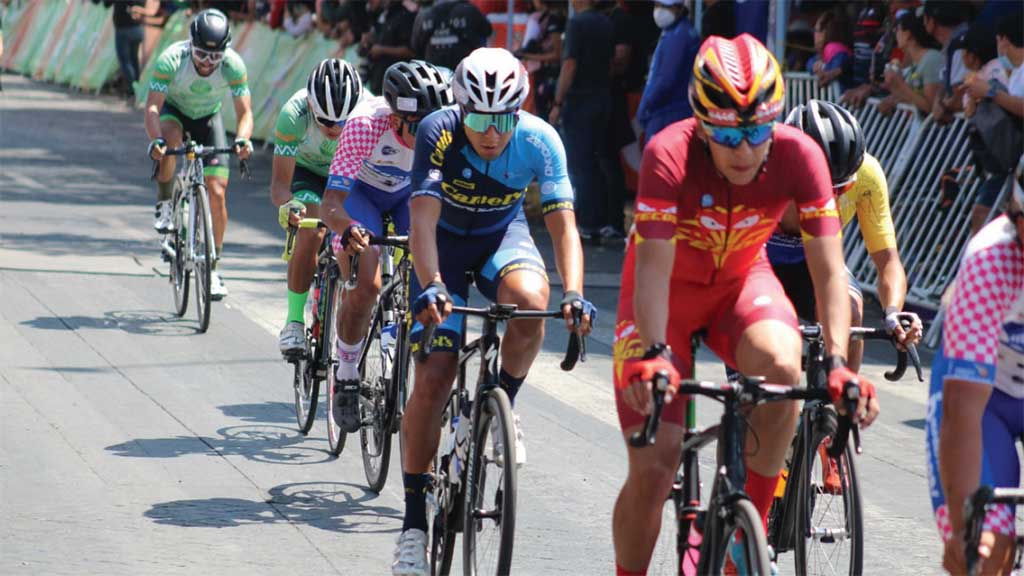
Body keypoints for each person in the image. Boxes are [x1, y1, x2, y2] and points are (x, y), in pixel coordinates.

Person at [611, 34, 879, 575]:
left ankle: (742, 544)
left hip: (740, 283)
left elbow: (830, 269)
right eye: (727, 134)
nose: (744, 149)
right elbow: (654, 270)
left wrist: (835, 364)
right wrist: (656, 352)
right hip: (666, 295)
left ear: (774, 121)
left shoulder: (800, 155)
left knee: (785, 370)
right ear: (700, 121)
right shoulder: (669, 153)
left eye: (757, 132)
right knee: (656, 468)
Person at [392, 47, 595, 575]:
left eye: (503, 118)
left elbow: (563, 226)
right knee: (434, 376)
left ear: (519, 112)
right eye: (479, 118)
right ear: (461, 110)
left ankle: (499, 401)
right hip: (441, 247)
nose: (491, 131)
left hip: (500, 237)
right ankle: (414, 525)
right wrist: (432, 284)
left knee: (533, 302)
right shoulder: (438, 130)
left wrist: (574, 291)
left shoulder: (540, 140)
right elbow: (421, 219)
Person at [320, 60, 453, 432]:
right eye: (420, 129)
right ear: (395, 120)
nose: (432, 135)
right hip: (361, 196)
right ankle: (346, 373)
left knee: (435, 267)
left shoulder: (447, 131)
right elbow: (330, 203)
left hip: (409, 197)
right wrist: (346, 229)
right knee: (369, 281)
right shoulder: (365, 125)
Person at [769, 99, 923, 374]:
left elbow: (888, 260)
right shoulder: (766, 169)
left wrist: (892, 313)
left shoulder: (866, 175)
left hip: (818, 260)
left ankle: (843, 407)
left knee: (850, 313)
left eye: (841, 188)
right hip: (760, 260)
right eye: (817, 186)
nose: (830, 198)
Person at [926, 157, 1023, 576]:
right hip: (986, 408)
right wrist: (965, 528)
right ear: (1017, 219)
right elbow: (962, 413)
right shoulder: (990, 260)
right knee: (985, 552)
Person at [145, 8, 253, 300]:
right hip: (175, 112)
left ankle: (213, 267)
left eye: (214, 57)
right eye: (201, 55)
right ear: (190, 45)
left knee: (217, 193)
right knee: (169, 142)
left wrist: (243, 139)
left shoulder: (233, 65)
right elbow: (153, 106)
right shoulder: (171, 59)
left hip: (208, 119)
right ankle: (166, 203)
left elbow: (245, 113)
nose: (207, 63)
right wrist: (155, 140)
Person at [272, 59, 364, 355]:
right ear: (311, 106)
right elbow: (279, 186)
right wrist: (290, 205)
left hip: (348, 177)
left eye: (343, 122)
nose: (335, 129)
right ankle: (294, 322)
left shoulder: (369, 111)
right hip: (308, 175)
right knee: (312, 231)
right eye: (326, 121)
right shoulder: (293, 114)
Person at [550, 0, 614, 244]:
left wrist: (557, 101)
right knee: (596, 163)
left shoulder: (577, 24)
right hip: (602, 97)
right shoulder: (606, 22)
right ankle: (600, 220)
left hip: (580, 101)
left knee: (580, 164)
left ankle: (588, 223)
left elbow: (569, 64)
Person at [635, 0, 699, 141]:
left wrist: (646, 106)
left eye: (665, 6)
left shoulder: (679, 36)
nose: (659, 11)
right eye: (657, 5)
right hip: (667, 112)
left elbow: (666, 80)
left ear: (679, 8)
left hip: (668, 113)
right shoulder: (674, 32)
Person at [879, 12, 942, 116]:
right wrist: (893, 98)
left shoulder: (932, 59)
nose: (895, 33)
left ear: (908, 34)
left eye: (898, 29)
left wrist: (900, 84)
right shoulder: (915, 62)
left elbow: (931, 107)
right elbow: (913, 97)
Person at [515, 0, 566, 122]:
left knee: (545, 116)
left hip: (549, 74)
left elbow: (557, 54)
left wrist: (529, 56)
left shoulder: (548, 19)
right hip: (545, 73)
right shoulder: (547, 17)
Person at [410, 0, 492, 70]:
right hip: (464, 74)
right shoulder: (470, 10)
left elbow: (415, 47)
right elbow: (488, 32)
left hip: (434, 75)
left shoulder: (424, 15)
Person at [924, 1, 968, 123]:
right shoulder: (951, 45)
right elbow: (944, 82)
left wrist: (942, 107)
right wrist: (938, 101)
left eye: (924, 18)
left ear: (932, 21)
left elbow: (961, 91)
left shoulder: (962, 43)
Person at [362, 0, 418, 94]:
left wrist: (381, 50)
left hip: (397, 86)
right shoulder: (383, 15)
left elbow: (410, 51)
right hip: (378, 83)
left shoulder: (406, 16)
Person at [807, 10, 853, 93]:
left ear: (824, 32)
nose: (814, 34)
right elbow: (810, 62)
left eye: (816, 30)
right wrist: (814, 65)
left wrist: (823, 67)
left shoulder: (832, 48)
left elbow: (837, 66)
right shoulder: (827, 50)